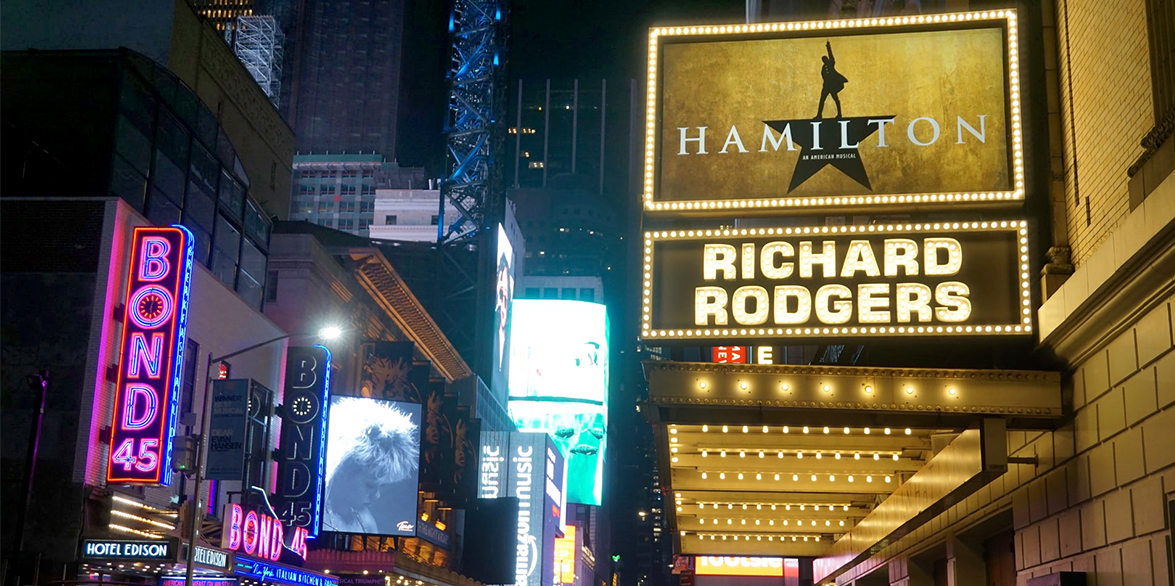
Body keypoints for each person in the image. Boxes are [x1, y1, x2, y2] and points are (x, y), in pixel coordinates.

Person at [323, 398, 419, 534]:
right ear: (343, 470)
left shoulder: (366, 522)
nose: (376, 495)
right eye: (370, 485)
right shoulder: (314, 513)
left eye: (382, 486)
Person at [816, 41, 848, 118]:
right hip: (826, 86)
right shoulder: (823, 68)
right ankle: (819, 115)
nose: (825, 60)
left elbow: (831, 55)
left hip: (832, 85)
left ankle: (839, 114)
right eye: (823, 60)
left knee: (836, 100)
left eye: (825, 59)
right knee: (822, 100)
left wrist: (828, 47)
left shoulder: (831, 63)